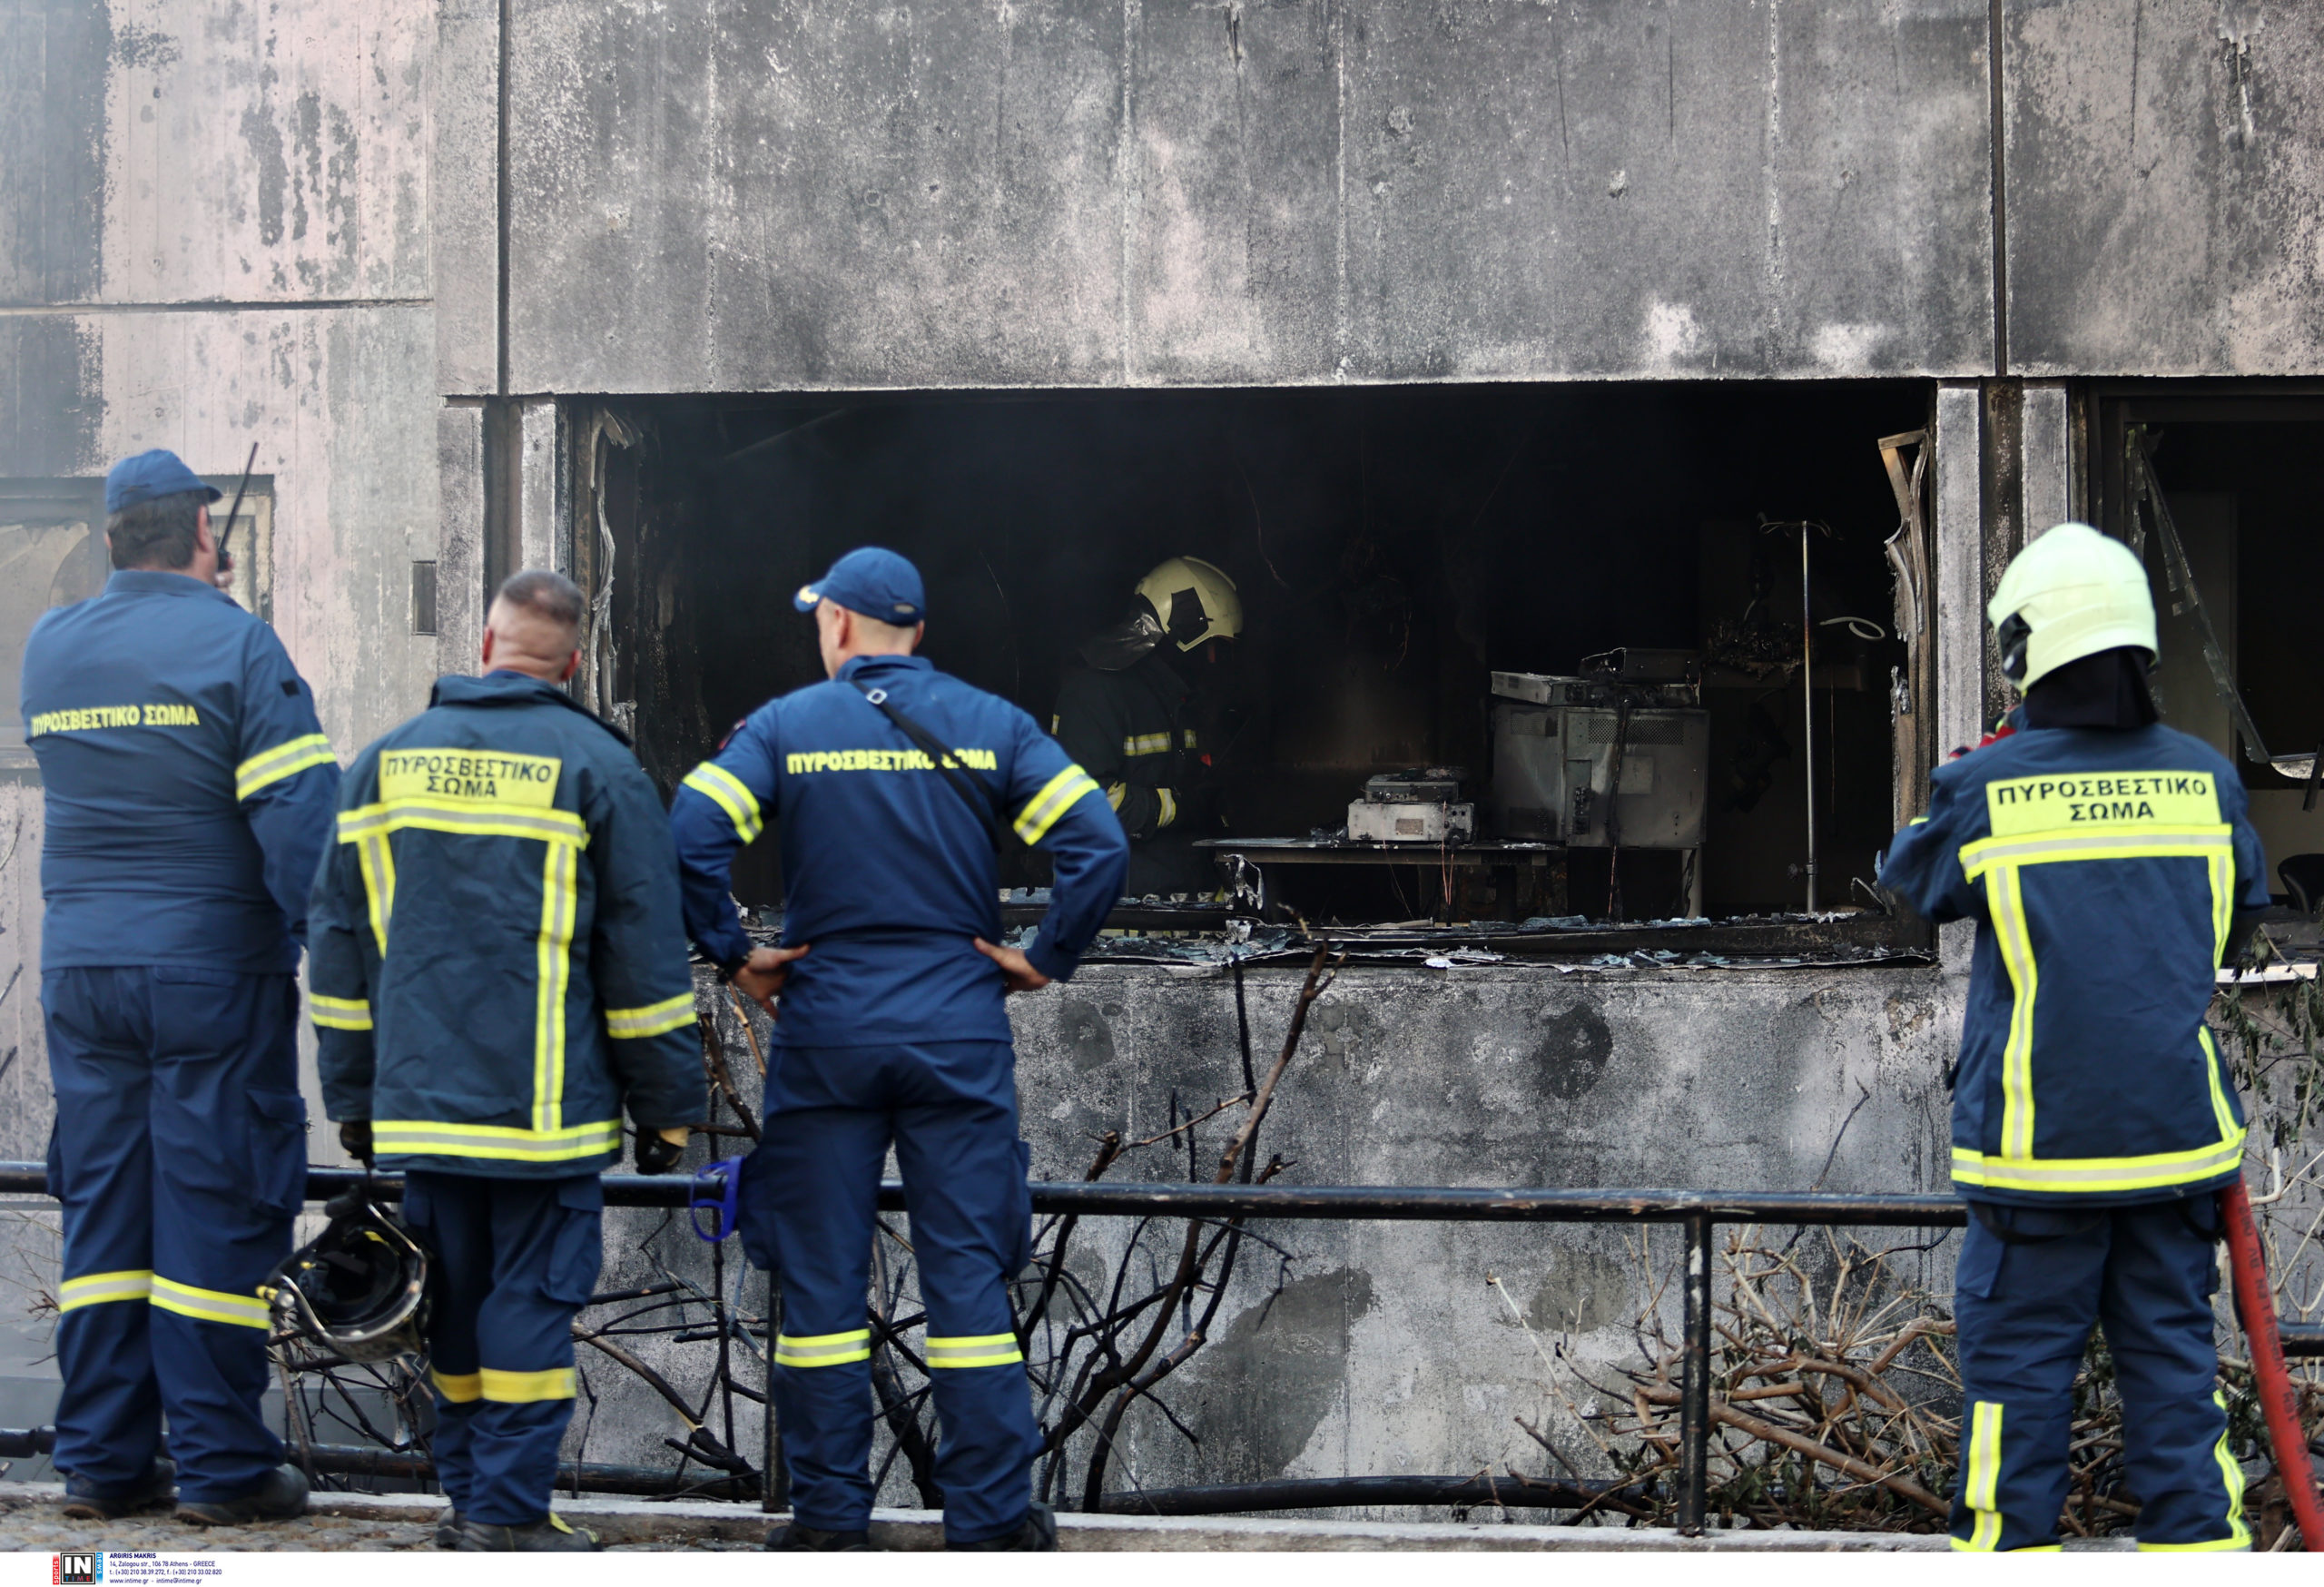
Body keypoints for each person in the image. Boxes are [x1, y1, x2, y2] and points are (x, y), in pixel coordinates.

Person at [669, 547, 1128, 1552]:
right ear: (917, 632)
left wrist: (736, 953)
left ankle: (829, 1523)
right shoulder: (993, 724)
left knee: (820, 1289)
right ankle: (990, 1523)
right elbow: (1099, 844)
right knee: (967, 1284)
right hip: (956, 1033)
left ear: (836, 623)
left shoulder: (787, 726)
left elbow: (693, 828)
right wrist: (1044, 955)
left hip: (826, 1034)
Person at [1879, 523, 2268, 1552]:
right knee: (2178, 1382)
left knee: (2016, 1392)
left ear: (2025, 650)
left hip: (2035, 1159)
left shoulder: (1984, 788)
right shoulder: (2206, 782)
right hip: (2175, 1151)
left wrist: (1981, 766)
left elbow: (1911, 879)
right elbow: (2230, 928)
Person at [309, 569, 703, 1552]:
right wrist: (665, 1107)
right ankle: (509, 1510)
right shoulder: (598, 767)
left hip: (419, 1106)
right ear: (574, 663)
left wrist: (353, 1096)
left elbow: (339, 947)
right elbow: (644, 961)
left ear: (485, 647)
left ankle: (469, 1498)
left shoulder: (383, 763)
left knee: (454, 1299)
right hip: (543, 1114)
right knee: (530, 1299)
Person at [23, 449, 340, 1525]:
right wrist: (345, 965)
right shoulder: (239, 643)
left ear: (112, 536)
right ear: (206, 533)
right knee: (215, 1207)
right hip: (210, 971)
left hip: (82, 973)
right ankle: (222, 1467)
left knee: (106, 1214)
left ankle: (101, 1462)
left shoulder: (49, 644)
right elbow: (299, 826)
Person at [1050, 556, 1242, 896]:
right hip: (1117, 914)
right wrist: (1179, 806)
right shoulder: (1094, 693)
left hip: (1184, 907)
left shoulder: (1177, 700)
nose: (1213, 660)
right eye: (1212, 646)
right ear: (1182, 630)